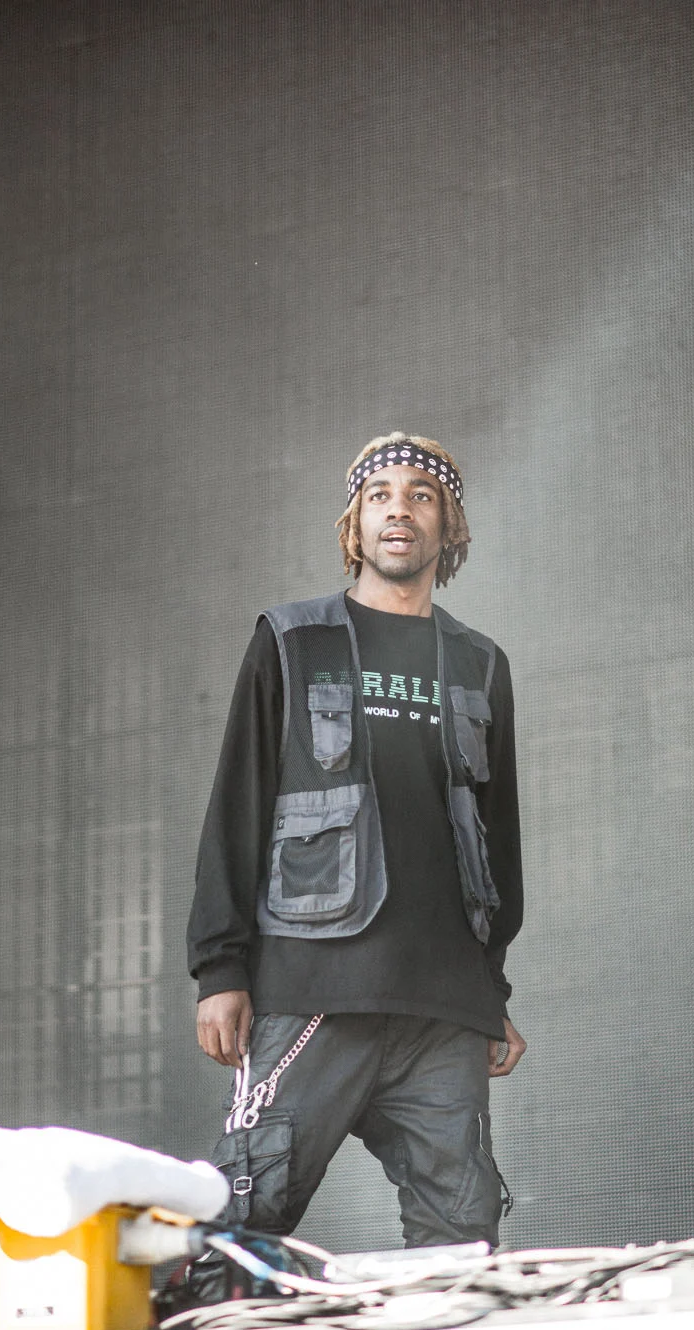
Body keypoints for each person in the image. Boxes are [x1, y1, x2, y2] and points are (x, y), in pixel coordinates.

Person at [186, 431, 525, 1249]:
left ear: (449, 525)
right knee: (242, 1223)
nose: (399, 510)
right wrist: (220, 967)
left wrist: (491, 992)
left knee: (463, 1246)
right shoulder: (291, 640)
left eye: (421, 495)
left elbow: (499, 839)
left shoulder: (480, 664)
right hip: (317, 988)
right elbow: (238, 801)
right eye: (380, 496)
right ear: (355, 524)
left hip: (443, 1008)